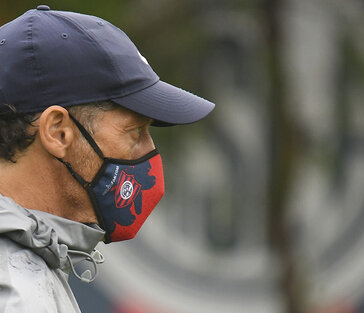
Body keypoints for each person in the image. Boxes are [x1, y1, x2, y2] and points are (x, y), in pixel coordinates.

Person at [0, 5, 214, 313]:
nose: (148, 153)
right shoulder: (17, 294)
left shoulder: (35, 263)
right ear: (59, 132)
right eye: (135, 132)